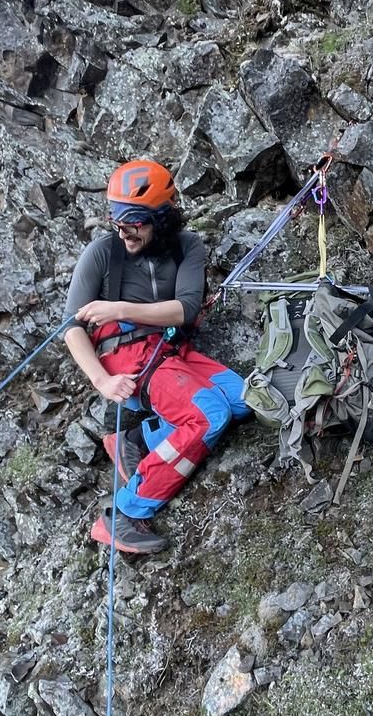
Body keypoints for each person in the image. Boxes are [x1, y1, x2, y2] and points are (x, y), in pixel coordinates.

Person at [63, 159, 249, 554]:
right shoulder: (102, 253)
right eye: (117, 220)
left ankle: (138, 442)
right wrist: (102, 381)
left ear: (161, 218)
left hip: (170, 350)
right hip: (124, 357)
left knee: (243, 400)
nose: (124, 231)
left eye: (135, 221)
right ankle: (126, 512)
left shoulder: (187, 246)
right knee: (208, 416)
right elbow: (72, 328)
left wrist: (117, 309)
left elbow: (185, 310)